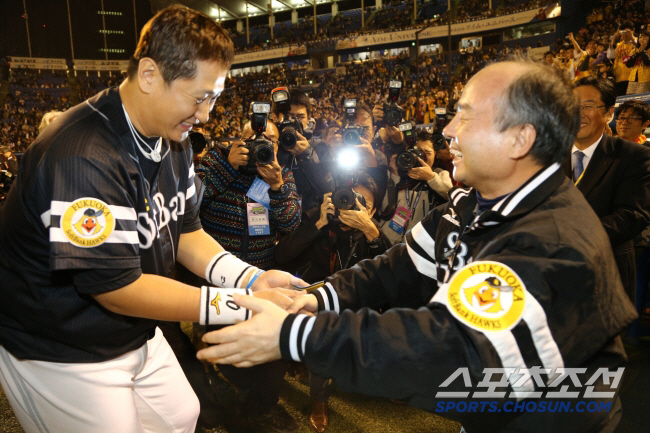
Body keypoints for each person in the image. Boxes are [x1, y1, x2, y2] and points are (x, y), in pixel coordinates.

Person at [197, 60, 638, 433]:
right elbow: (397, 268)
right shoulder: (470, 204)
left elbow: (448, 351)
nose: (449, 130)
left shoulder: (549, 242)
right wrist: (314, 300)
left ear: (520, 139)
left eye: (465, 116)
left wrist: (294, 335)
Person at [0, 6, 302, 433]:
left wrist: (250, 280)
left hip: (132, 329)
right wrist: (237, 306)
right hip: (60, 344)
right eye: (199, 97)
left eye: (213, 97)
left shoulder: (171, 135)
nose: (206, 114)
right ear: (148, 75)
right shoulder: (83, 154)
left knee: (181, 416)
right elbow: (115, 288)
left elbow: (186, 231)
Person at [567, 76, 650, 303]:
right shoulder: (546, 156)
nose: (579, 113)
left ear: (609, 113)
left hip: (604, 280)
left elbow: (632, 215)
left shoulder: (632, 156)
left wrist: (567, 236)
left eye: (589, 106)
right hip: (550, 279)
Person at [381, 129, 453, 245]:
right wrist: (394, 175)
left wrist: (431, 178)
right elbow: (385, 208)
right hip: (388, 240)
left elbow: (450, 194)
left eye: (427, 153)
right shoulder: (401, 173)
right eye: (418, 152)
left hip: (417, 244)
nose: (422, 157)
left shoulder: (440, 173)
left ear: (435, 153)